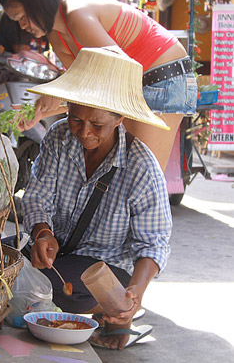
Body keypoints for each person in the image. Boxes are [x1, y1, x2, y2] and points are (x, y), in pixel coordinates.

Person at [22, 47, 172, 350]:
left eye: (97, 125)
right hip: (57, 253)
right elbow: (38, 195)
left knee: (39, 288)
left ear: (119, 119)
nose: (84, 133)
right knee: (6, 274)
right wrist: (42, 232)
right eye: (76, 119)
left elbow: (154, 242)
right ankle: (95, 310)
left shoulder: (140, 165)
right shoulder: (58, 137)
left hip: (104, 268)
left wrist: (134, 294)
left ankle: (111, 309)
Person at [0, 0, 198, 171]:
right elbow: (88, 94)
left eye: (22, 17)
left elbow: (118, 69)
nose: (23, 26)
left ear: (35, 3)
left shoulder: (76, 13)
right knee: (127, 177)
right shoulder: (56, 37)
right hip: (140, 85)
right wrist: (41, 112)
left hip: (162, 77)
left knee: (142, 177)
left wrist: (56, 97)